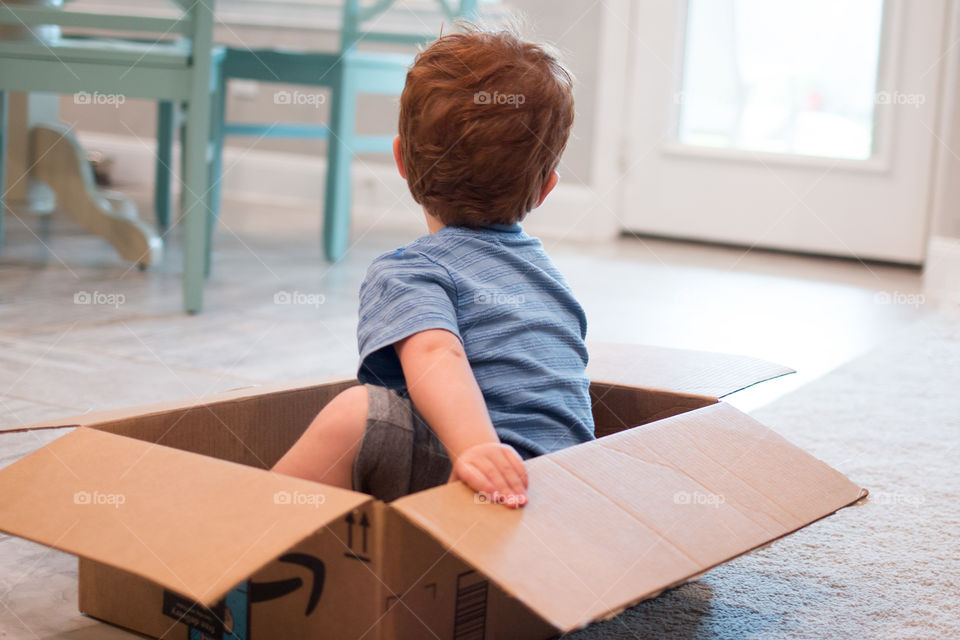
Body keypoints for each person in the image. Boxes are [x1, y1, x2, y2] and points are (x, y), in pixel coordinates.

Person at [272, 24, 594, 508]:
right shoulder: (546, 273)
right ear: (547, 188)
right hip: (566, 485)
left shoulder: (410, 270)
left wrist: (477, 448)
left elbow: (435, 353)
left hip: (483, 481)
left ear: (400, 159)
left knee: (358, 415)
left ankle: (246, 542)